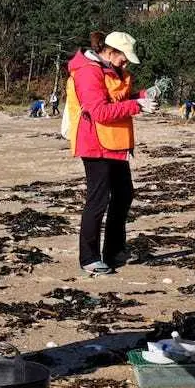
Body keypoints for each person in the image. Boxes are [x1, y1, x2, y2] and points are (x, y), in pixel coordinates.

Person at [67, 31, 162, 276]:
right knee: (97, 200)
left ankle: (114, 250)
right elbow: (99, 111)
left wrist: (142, 96)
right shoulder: (88, 71)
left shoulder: (110, 69)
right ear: (110, 52)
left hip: (115, 142)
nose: (127, 62)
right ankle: (89, 258)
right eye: (124, 57)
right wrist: (137, 106)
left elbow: (116, 98)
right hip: (95, 143)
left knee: (123, 194)